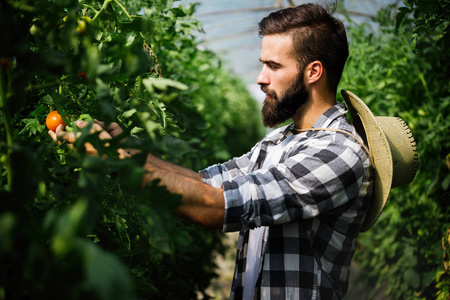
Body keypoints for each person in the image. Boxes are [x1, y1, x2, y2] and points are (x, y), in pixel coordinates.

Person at [50, 3, 419, 299]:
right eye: (262, 64)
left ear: (313, 72)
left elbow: (213, 206)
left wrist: (116, 162)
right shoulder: (280, 142)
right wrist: (126, 148)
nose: (260, 78)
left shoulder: (340, 155)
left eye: (273, 66)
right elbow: (203, 182)